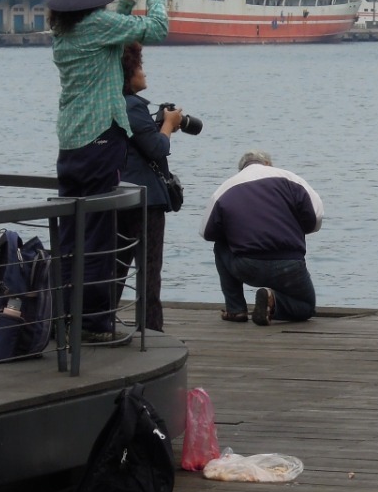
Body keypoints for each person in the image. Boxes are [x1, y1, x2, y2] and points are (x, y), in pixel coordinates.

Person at [47, 0, 168, 342]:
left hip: (71, 140)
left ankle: (65, 316)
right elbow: (157, 28)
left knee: (72, 234)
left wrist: (127, 0)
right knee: (100, 235)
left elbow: (109, 33)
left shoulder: (65, 28)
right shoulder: (98, 24)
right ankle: (95, 324)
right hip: (101, 138)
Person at [200, 150, 323, 326]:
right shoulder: (291, 179)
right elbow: (315, 219)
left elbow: (207, 233)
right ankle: (273, 300)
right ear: (268, 164)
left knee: (221, 246)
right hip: (290, 264)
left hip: (248, 266)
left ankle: (236, 309)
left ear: (241, 169)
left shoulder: (225, 189)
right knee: (306, 307)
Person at [116, 42, 183, 332]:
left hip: (117, 195)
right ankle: (152, 331)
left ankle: (101, 320)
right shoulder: (132, 105)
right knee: (149, 269)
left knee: (116, 265)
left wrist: (160, 127)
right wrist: (168, 125)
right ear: (128, 74)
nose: (144, 73)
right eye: (140, 67)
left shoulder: (110, 104)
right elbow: (157, 148)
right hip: (146, 201)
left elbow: (137, 143)